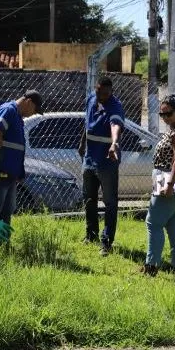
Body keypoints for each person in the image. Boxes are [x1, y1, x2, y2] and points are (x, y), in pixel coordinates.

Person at [0, 90, 43, 255]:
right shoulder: (8, 110)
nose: (32, 113)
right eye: (35, 109)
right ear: (29, 102)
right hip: (0, 170)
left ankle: (3, 243)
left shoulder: (17, 117)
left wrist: (18, 171)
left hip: (10, 173)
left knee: (8, 208)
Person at [141, 95, 175, 276]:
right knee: (173, 226)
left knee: (153, 223)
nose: (164, 118)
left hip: (170, 181)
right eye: (161, 114)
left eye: (168, 114)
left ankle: (151, 266)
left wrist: (170, 184)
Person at [78, 76, 125, 257]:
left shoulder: (115, 106)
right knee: (89, 199)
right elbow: (86, 123)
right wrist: (82, 143)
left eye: (105, 94)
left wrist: (114, 143)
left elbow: (115, 125)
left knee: (109, 202)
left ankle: (106, 242)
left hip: (107, 161)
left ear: (111, 92)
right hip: (89, 159)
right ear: (95, 89)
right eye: (99, 93)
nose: (101, 97)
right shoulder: (91, 99)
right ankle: (91, 234)